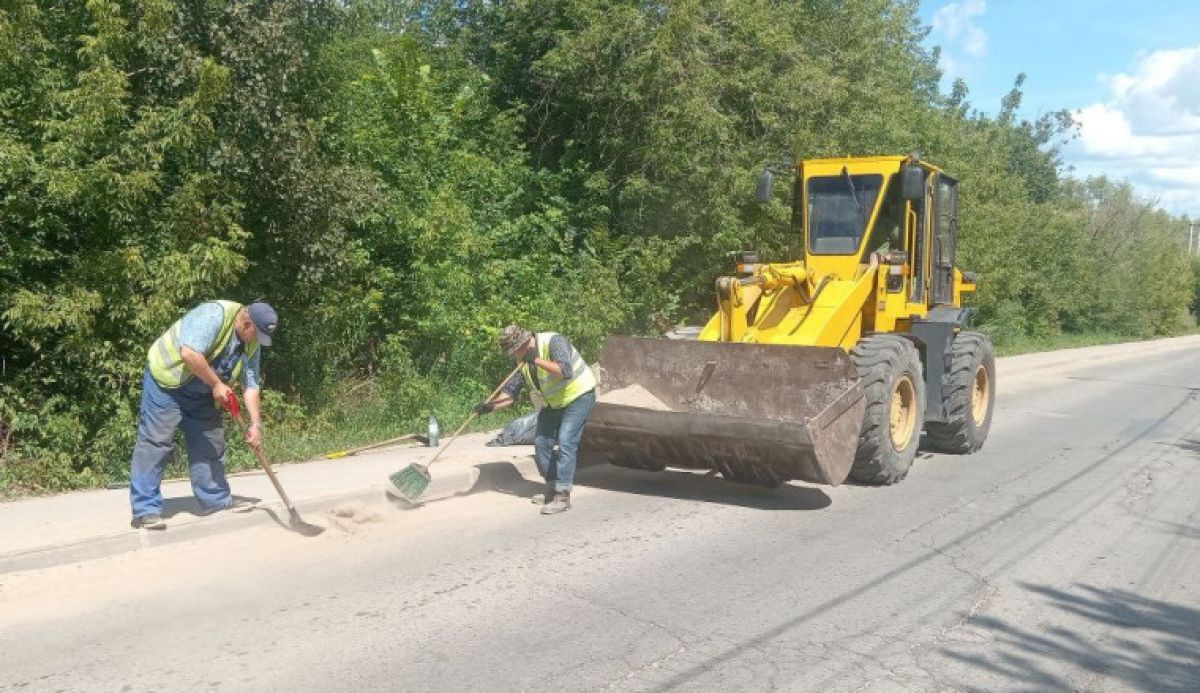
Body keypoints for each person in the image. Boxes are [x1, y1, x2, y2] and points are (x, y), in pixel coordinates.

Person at [128, 300, 278, 530]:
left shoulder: (252, 343)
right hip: (166, 384)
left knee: (210, 444)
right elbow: (189, 353)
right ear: (247, 323)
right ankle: (145, 510)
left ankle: (215, 501)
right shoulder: (214, 315)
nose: (256, 341)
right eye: (256, 335)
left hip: (203, 391)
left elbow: (251, 386)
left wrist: (256, 424)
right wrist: (217, 384)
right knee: (155, 444)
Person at [475, 325, 596, 515]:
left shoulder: (553, 341)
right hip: (553, 403)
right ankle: (553, 488)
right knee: (541, 443)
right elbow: (510, 393)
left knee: (566, 441)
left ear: (524, 342)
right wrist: (490, 406)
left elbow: (565, 370)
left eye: (515, 350)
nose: (515, 355)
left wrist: (536, 359)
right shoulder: (523, 360)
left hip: (578, 396)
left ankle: (562, 496)